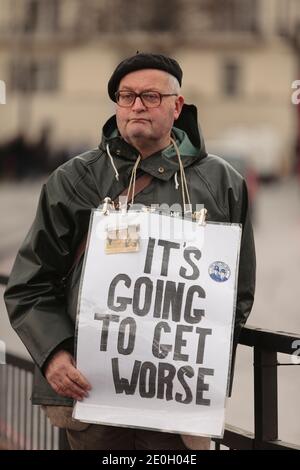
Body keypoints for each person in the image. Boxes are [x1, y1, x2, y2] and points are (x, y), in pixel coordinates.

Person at [4, 52, 256, 450]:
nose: (137, 105)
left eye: (151, 96)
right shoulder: (74, 180)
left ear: (178, 106)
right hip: (92, 392)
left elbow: (237, 290)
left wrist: (201, 360)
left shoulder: (223, 182)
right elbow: (29, 283)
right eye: (127, 96)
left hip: (179, 398)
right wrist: (53, 354)